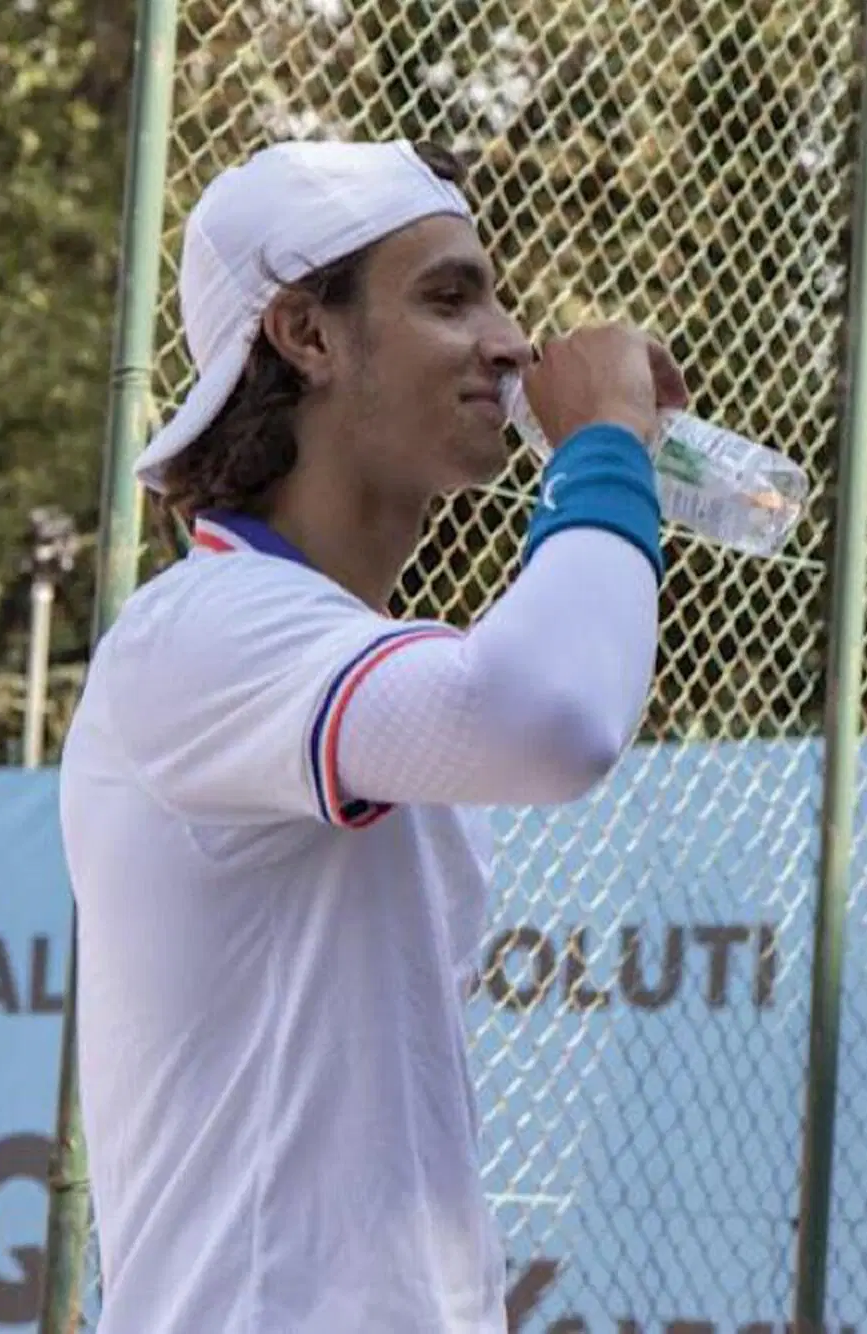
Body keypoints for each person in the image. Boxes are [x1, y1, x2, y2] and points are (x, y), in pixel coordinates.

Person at [58, 138, 683, 1333]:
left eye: (495, 296)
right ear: (307, 334)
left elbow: (524, 690)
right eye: (450, 296)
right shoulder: (201, 632)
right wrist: (602, 451)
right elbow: (553, 716)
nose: (508, 342)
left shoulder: (336, 647)